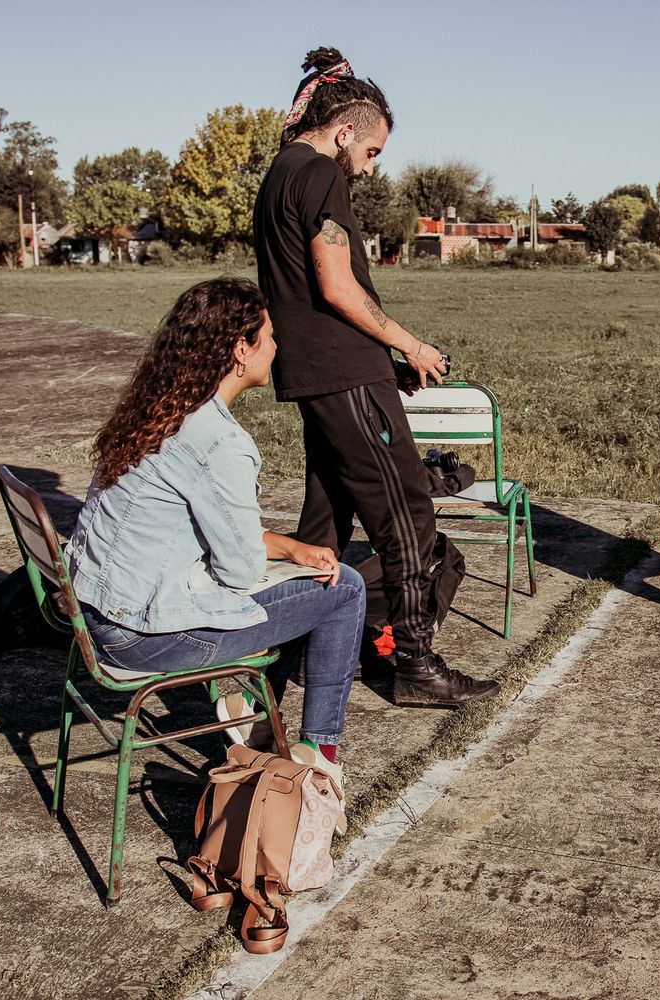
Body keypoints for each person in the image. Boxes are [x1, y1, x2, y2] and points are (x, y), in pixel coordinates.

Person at [66, 277, 364, 825]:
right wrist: (276, 560)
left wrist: (291, 548)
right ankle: (318, 757)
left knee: (309, 577)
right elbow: (240, 571)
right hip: (145, 640)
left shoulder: (155, 410)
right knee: (345, 588)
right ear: (240, 348)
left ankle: (252, 714)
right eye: (270, 336)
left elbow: (193, 527)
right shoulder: (220, 442)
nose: (277, 347)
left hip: (93, 618)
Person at [253, 45, 498, 709]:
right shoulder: (320, 174)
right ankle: (416, 665)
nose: (369, 165)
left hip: (314, 377)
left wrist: (381, 357)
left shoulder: (278, 174)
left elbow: (305, 295)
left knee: (322, 529)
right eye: (372, 151)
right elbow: (335, 286)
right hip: (346, 380)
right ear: (343, 133)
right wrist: (409, 345)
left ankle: (293, 656)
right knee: (407, 515)